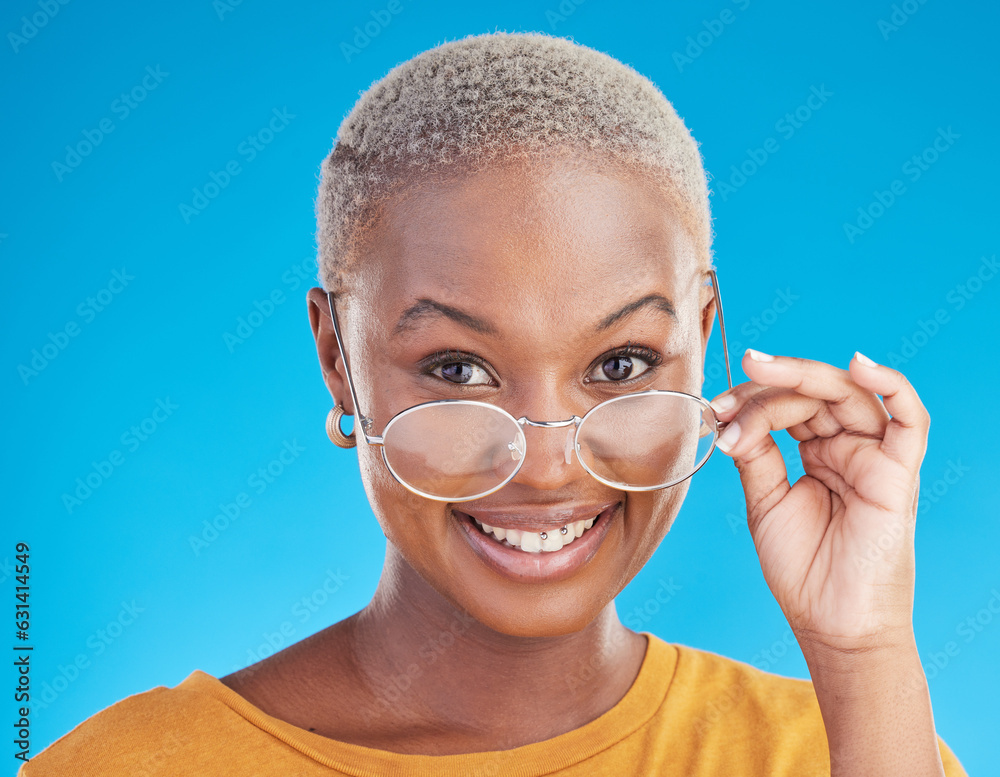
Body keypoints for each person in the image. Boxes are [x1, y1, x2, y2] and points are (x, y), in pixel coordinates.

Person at [22, 31, 968, 776]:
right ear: (338, 361)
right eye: (460, 371)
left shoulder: (846, 747)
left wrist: (865, 651)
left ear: (706, 338)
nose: (550, 464)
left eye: (623, 361)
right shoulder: (133, 766)